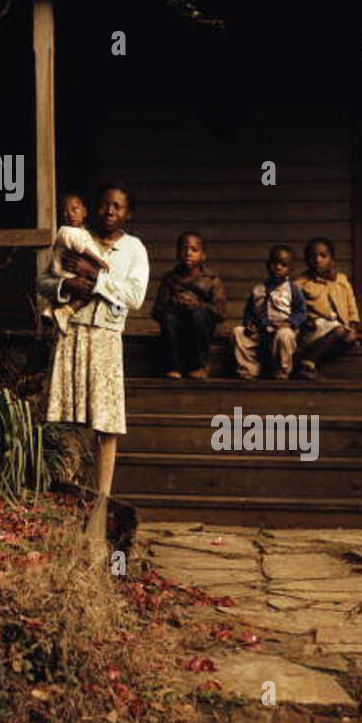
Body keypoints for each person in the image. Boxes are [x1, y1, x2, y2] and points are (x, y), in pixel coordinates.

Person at [38, 183, 148, 503]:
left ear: (128, 213)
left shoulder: (133, 249)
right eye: (104, 205)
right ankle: (65, 492)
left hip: (105, 338)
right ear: (92, 208)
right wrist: (66, 283)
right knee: (63, 417)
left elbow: (135, 296)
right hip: (71, 332)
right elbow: (43, 280)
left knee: (106, 421)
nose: (110, 211)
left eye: (118, 207)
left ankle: (101, 499)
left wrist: (96, 276)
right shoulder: (75, 238)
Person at [151, 231, 227, 379]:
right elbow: (157, 311)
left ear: (203, 255)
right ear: (177, 253)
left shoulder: (212, 280)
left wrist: (199, 305)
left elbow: (221, 313)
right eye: (184, 249)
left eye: (194, 250)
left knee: (198, 314)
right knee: (169, 316)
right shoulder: (170, 279)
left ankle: (199, 366)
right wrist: (174, 303)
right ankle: (174, 366)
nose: (188, 253)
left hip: (200, 330)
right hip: (177, 329)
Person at [39, 191, 111, 335]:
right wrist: (99, 261)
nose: (70, 214)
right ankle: (63, 312)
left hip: (95, 324)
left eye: (75, 209)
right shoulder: (67, 231)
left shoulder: (85, 234)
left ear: (85, 212)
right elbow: (81, 248)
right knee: (89, 288)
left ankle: (53, 311)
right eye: (65, 212)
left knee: (92, 287)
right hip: (64, 271)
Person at [233, 244, 307, 380]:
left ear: (290, 269)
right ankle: (249, 368)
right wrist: (249, 323)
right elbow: (249, 311)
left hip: (281, 332)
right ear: (267, 265)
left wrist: (289, 323)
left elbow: (301, 312)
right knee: (238, 331)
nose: (278, 267)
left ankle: (282, 370)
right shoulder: (258, 289)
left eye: (283, 265)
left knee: (285, 335)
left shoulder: (293, 290)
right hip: (261, 332)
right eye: (275, 263)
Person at [295, 236, 361, 379]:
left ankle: (313, 361)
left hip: (339, 328)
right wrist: (306, 321)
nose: (318, 260)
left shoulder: (341, 280)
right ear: (307, 260)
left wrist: (353, 324)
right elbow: (296, 310)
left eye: (323, 256)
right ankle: (308, 362)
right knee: (339, 331)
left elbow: (351, 305)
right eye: (313, 256)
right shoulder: (301, 284)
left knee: (350, 337)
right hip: (314, 329)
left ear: (331, 259)